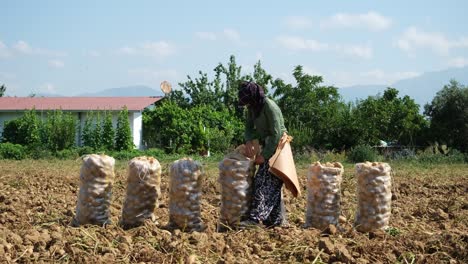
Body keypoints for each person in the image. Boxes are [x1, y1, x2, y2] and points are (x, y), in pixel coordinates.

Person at [237, 81, 288, 228]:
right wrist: (248, 141)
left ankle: (255, 219)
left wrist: (264, 155)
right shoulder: (253, 108)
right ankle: (275, 220)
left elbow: (276, 134)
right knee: (272, 183)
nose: (247, 106)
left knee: (263, 180)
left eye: (248, 103)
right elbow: (248, 127)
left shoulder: (269, 107)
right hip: (267, 145)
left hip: (278, 147)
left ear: (254, 97)